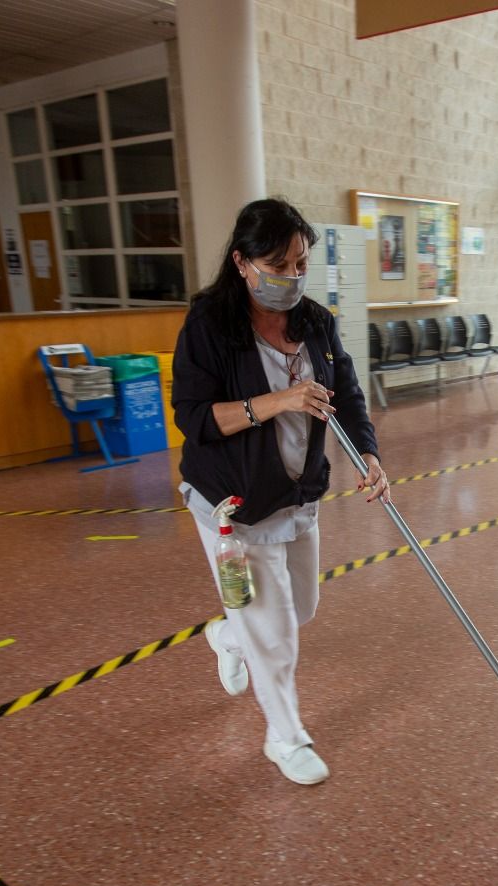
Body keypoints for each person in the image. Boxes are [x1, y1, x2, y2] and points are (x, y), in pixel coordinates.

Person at [171, 198, 390, 786]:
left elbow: (347, 392)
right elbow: (191, 417)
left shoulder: (315, 322)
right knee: (274, 631)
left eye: (300, 264)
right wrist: (278, 402)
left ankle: (225, 632)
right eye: (278, 264)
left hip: (296, 493)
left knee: (303, 607)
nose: (291, 277)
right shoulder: (209, 326)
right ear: (243, 262)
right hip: (233, 504)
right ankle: (285, 737)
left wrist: (367, 453)